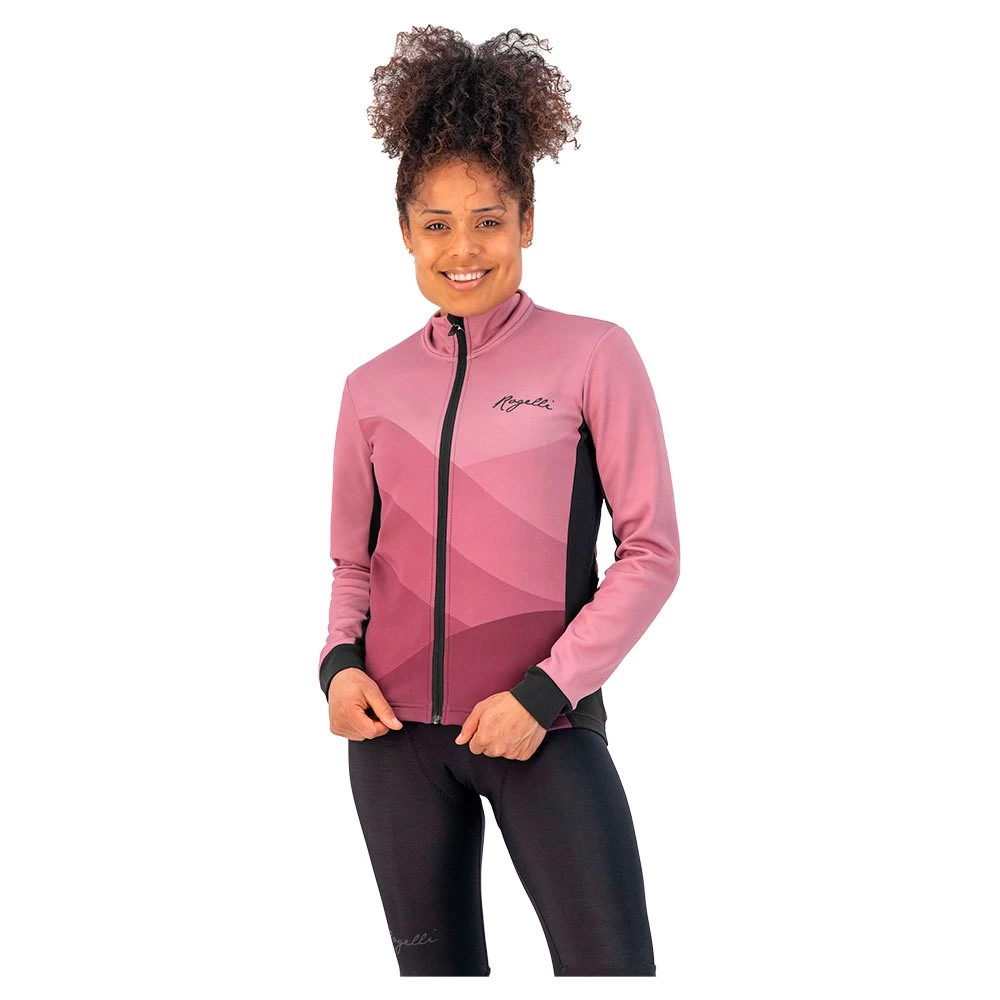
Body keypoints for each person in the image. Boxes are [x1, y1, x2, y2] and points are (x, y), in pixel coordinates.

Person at [318, 26, 681, 976]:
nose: (463, 248)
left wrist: (544, 694)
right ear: (405, 232)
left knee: (612, 972)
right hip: (393, 745)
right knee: (435, 979)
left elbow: (651, 554)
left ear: (527, 221)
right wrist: (337, 668)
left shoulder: (594, 355)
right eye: (436, 223)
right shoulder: (370, 388)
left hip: (543, 728)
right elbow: (353, 561)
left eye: (488, 219)